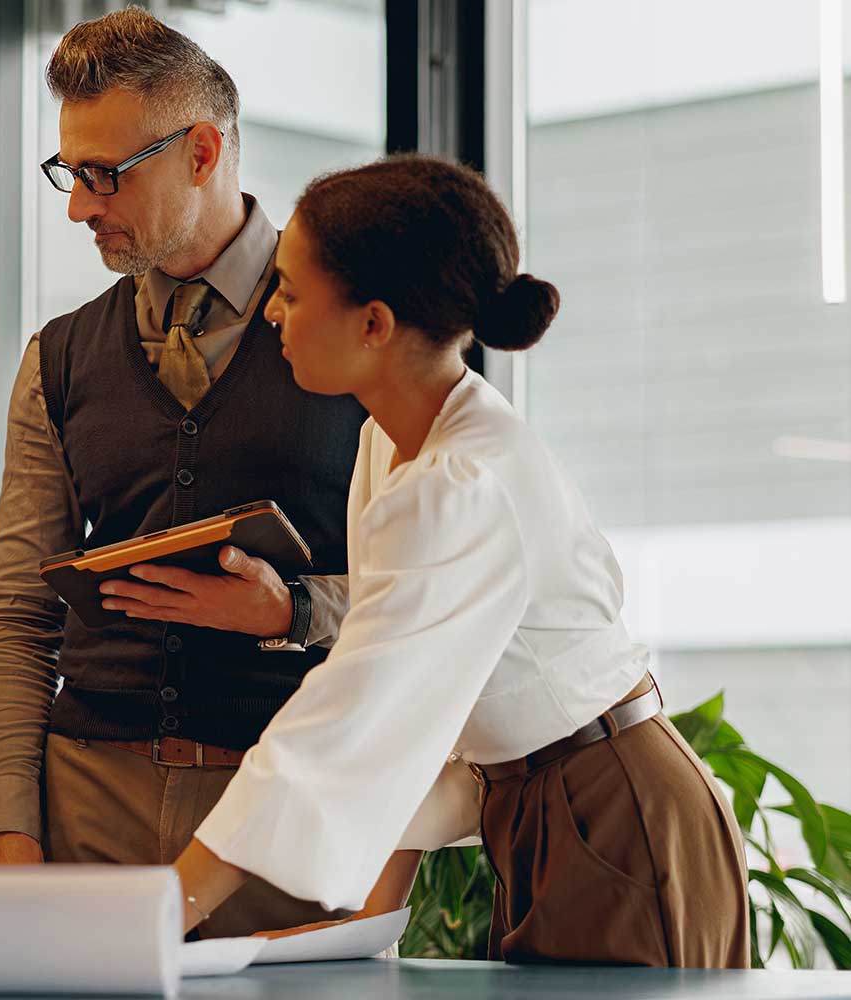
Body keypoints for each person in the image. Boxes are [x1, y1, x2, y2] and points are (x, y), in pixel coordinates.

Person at [172, 155, 751, 967]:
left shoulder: (461, 481)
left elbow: (352, 712)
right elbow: (417, 697)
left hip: (613, 811)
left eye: (292, 294)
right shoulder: (394, 445)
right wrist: (370, 924)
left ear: (374, 324)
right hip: (545, 803)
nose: (271, 310)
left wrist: (168, 908)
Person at [0, 6, 368, 937]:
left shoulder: (365, 326)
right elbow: (19, 612)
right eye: (70, 172)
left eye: (105, 175)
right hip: (87, 802)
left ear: (201, 152)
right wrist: (7, 827)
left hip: (289, 808)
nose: (79, 206)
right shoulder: (58, 357)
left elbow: (437, 595)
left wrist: (295, 610)